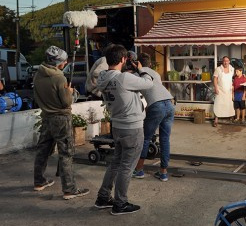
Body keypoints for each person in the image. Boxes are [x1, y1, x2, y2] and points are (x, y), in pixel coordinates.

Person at [94, 44, 154, 215]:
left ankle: (103, 197)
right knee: (126, 167)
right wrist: (141, 70)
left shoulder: (103, 78)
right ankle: (120, 203)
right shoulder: (124, 79)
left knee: (116, 163)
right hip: (132, 127)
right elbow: (148, 83)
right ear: (123, 59)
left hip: (118, 126)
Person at [33, 46, 89, 199]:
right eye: (64, 62)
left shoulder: (38, 75)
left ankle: (39, 181)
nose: (65, 64)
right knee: (66, 153)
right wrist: (70, 93)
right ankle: (69, 189)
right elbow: (66, 102)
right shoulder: (59, 78)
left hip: (46, 117)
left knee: (43, 150)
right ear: (58, 63)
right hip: (61, 119)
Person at [132, 52, 175, 182]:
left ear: (137, 63)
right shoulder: (155, 73)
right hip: (169, 103)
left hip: (157, 106)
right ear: (150, 63)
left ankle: (139, 170)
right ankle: (163, 173)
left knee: (145, 138)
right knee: (164, 139)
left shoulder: (136, 75)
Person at [212, 56, 234, 127]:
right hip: (220, 90)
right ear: (222, 61)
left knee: (229, 104)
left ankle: (231, 117)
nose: (226, 62)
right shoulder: (218, 69)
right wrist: (216, 88)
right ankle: (216, 119)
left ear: (229, 61)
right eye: (224, 61)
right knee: (218, 104)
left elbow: (232, 79)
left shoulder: (232, 69)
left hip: (228, 90)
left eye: (227, 61)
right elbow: (215, 79)